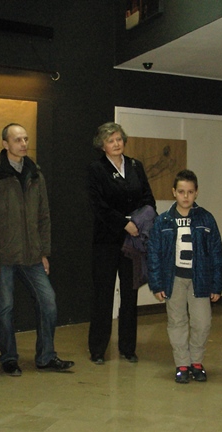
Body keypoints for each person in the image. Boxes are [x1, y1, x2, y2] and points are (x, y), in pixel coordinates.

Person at [0, 123, 74, 375]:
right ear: (5, 144)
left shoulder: (35, 173)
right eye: (17, 140)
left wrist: (43, 252)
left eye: (25, 139)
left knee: (48, 302)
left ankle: (46, 356)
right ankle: (9, 358)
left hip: (32, 255)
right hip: (3, 254)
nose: (23, 144)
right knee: (5, 308)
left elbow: (44, 216)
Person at [86, 122, 155, 364]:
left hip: (133, 241)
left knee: (130, 294)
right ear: (102, 145)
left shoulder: (135, 166)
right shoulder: (96, 169)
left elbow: (148, 199)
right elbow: (98, 206)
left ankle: (128, 348)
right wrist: (123, 223)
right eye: (111, 140)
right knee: (103, 295)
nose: (116, 144)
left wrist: (137, 223)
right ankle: (97, 349)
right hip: (106, 241)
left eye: (119, 139)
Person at [147, 169, 222, 383]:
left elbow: (217, 252)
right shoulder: (163, 221)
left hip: (200, 280)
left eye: (190, 192)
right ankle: (182, 363)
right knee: (177, 322)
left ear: (196, 192)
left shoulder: (206, 219)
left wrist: (217, 284)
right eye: (181, 191)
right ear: (174, 192)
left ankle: (196, 361)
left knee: (202, 322)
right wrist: (157, 284)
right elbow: (154, 254)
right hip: (173, 280)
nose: (185, 196)